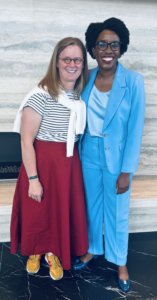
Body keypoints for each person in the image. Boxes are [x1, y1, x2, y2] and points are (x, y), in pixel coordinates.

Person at [73, 18, 145, 292]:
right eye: (102, 44)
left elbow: (135, 128)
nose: (108, 50)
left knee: (117, 212)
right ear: (93, 48)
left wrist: (127, 170)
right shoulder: (86, 77)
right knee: (91, 207)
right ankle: (92, 249)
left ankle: (120, 262)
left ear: (121, 48)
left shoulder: (134, 82)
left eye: (114, 44)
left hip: (117, 161)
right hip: (88, 154)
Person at [10, 37, 89, 280]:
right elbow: (26, 141)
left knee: (58, 209)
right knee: (39, 208)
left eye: (78, 59)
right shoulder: (40, 95)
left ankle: (53, 251)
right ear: (56, 62)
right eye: (67, 59)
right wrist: (33, 178)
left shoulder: (77, 96)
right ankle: (35, 250)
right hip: (42, 161)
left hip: (67, 163)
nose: (72, 64)